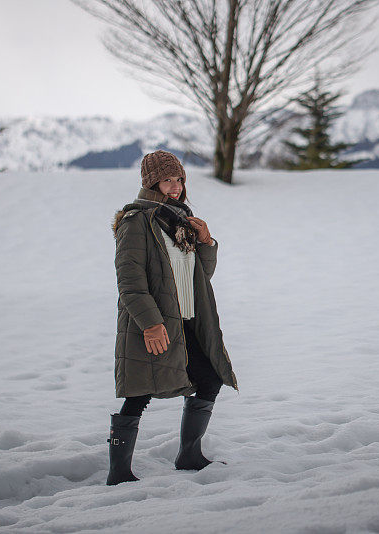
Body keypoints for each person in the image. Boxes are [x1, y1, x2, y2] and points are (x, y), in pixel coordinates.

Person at [106, 150, 239, 486]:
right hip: (151, 324)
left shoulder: (180, 221)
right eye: (167, 179)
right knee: (139, 394)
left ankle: (189, 455)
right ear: (152, 181)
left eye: (179, 178)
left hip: (185, 321)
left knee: (209, 379)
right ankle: (119, 472)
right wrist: (151, 324)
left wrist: (206, 241)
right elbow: (130, 282)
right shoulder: (136, 222)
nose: (176, 185)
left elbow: (199, 276)